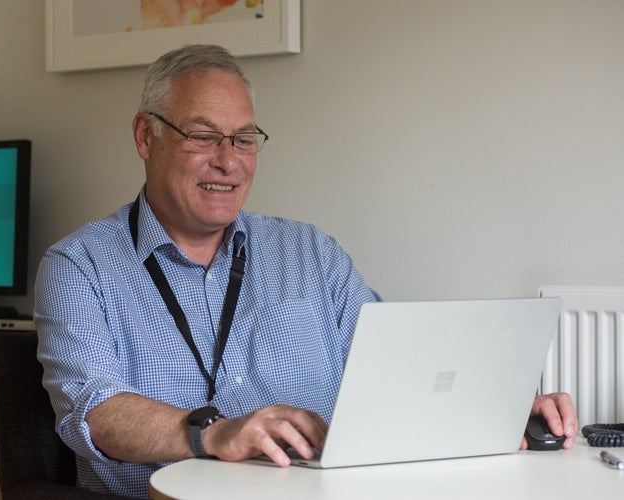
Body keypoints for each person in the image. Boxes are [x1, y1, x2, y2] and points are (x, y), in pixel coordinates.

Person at [34, 44, 578, 498]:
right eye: (203, 136)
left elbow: (394, 368)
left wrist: (491, 405)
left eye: (244, 139)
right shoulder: (79, 267)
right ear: (144, 136)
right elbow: (95, 410)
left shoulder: (311, 253)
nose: (229, 160)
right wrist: (215, 434)